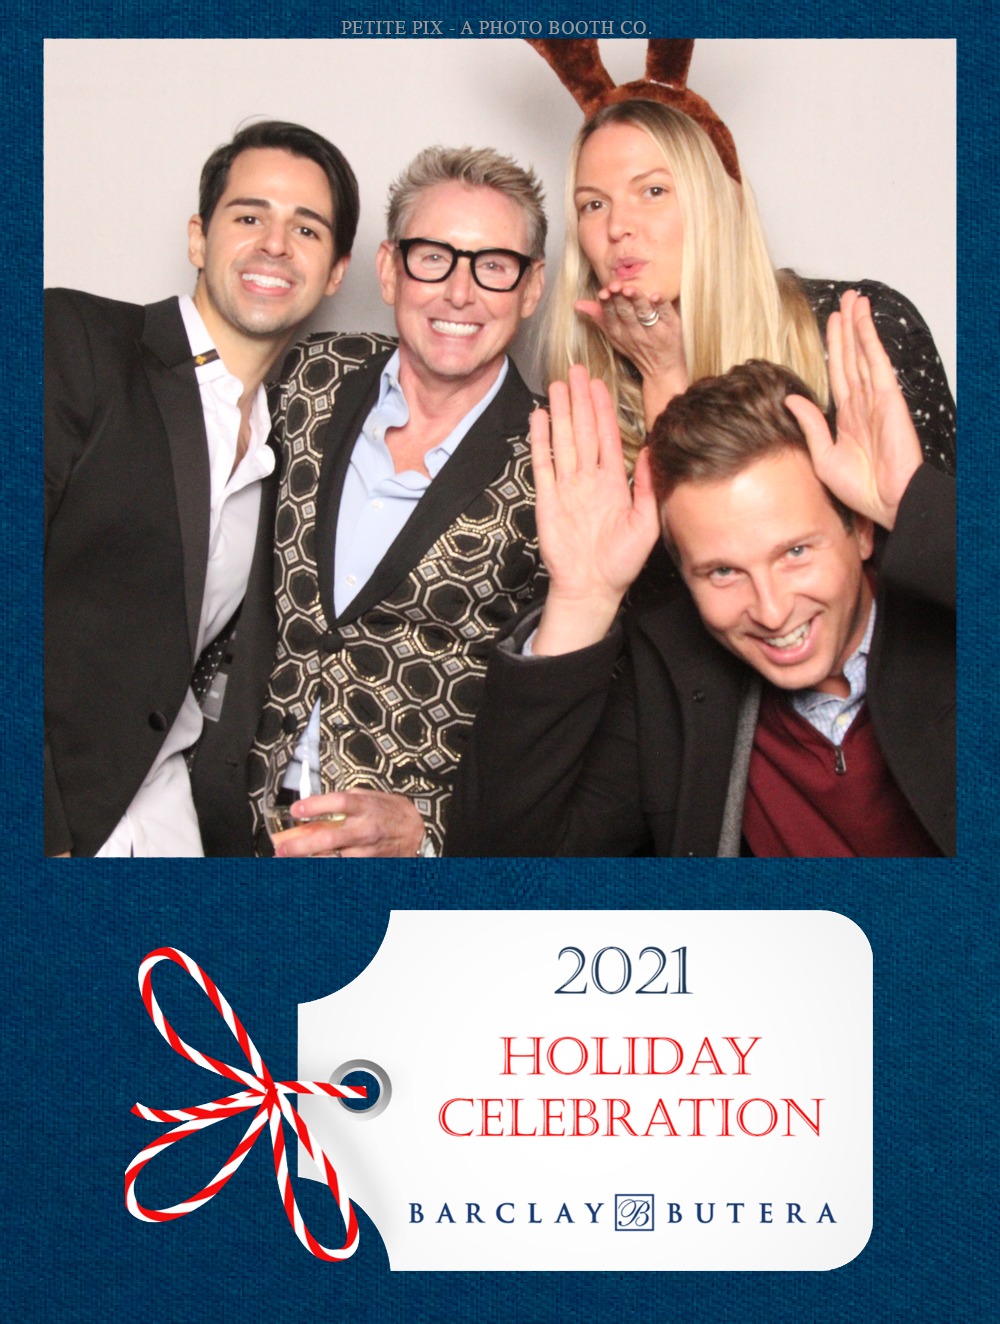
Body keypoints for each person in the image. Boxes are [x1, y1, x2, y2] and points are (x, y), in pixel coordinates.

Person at [446, 291, 955, 857]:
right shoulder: (669, 679)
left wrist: (917, 510)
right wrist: (581, 601)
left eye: (795, 552)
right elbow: (499, 868)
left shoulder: (949, 619)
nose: (772, 610)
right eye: (723, 572)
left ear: (859, 530)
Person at [44, 120, 358, 857]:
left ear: (336, 272)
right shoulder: (77, 340)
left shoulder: (292, 443)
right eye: (249, 217)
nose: (275, 244)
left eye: (306, 229)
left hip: (168, 822)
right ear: (198, 238)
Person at [231, 146, 547, 858]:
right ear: (388, 269)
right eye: (433, 257)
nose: (459, 293)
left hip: (406, 862)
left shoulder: (558, 460)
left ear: (531, 289)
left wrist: (432, 832)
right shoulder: (310, 375)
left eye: (494, 266)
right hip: (229, 822)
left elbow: (561, 724)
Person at [529, 38, 955, 479]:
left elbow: (930, 521)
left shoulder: (859, 330)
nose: (617, 226)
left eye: (653, 191)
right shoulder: (587, 391)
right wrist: (663, 377)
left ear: (717, 202)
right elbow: (687, 526)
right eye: (593, 204)